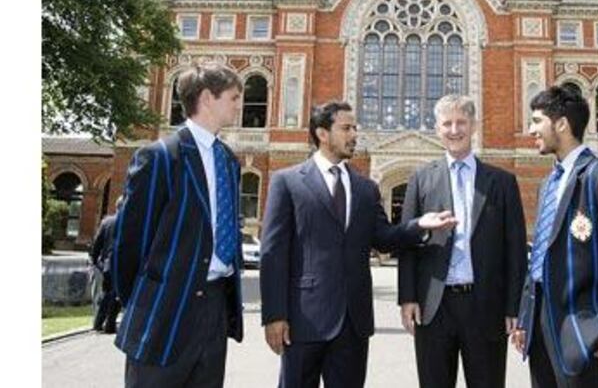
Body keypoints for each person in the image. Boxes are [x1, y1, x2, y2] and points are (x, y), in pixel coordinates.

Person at [259, 100, 457, 388]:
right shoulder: (287, 182)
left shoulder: (366, 188)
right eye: (346, 128)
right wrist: (274, 315)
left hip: (354, 323)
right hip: (303, 320)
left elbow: (383, 238)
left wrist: (419, 226)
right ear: (322, 134)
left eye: (355, 128)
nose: (354, 135)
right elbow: (273, 253)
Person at [112, 62, 245, 388]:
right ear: (207, 99)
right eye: (233, 97)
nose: (240, 105)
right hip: (164, 311)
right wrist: (147, 299)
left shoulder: (228, 161)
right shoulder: (158, 157)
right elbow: (129, 244)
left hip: (215, 307)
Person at [512, 85, 598, 388]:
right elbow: (540, 256)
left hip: (582, 330)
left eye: (537, 121)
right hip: (540, 328)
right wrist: (524, 317)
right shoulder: (548, 182)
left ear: (561, 124)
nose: (531, 129)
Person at [398, 94, 527, 388]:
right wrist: (408, 298)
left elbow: (515, 250)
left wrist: (514, 307)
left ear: (474, 126)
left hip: (485, 306)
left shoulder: (502, 182)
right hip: (435, 307)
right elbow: (408, 243)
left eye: (461, 123)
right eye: (447, 124)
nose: (454, 130)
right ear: (437, 129)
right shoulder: (421, 179)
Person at [90, 198, 122, 333]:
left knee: (106, 293)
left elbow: (97, 244)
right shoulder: (128, 222)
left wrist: (96, 261)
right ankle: (110, 323)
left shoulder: (106, 222)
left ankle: (98, 322)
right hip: (120, 264)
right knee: (117, 295)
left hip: (106, 265)